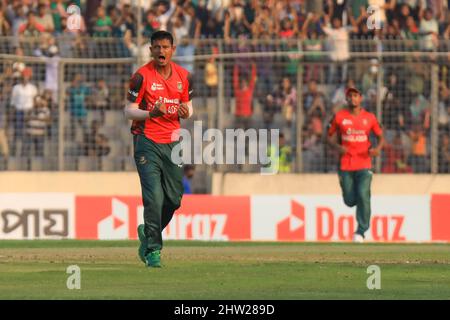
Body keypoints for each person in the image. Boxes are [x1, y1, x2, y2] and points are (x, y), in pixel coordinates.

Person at [124, 30, 193, 268]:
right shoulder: (141, 76)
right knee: (154, 197)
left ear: (172, 49)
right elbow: (128, 110)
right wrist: (149, 113)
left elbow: (188, 107)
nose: (161, 51)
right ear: (151, 49)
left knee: (173, 199)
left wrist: (186, 112)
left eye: (165, 47)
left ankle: (148, 232)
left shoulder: (184, 76)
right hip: (146, 140)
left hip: (173, 141)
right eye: (157, 47)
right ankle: (153, 250)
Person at [327, 87, 384, 242]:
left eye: (356, 95)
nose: (353, 98)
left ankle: (361, 231)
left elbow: (381, 136)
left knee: (363, 194)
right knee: (350, 201)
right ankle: (350, 193)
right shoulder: (339, 117)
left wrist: (377, 149)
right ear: (347, 99)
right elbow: (328, 136)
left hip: (364, 163)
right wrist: (337, 147)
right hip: (346, 164)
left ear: (361, 98)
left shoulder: (370, 118)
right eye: (350, 96)